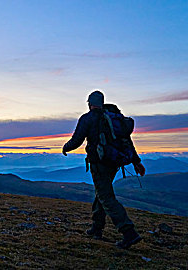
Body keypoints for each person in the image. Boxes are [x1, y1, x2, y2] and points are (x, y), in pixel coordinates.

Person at [62, 90, 146, 249]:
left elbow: (77, 139)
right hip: (114, 162)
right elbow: (127, 141)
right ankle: (97, 228)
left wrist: (66, 148)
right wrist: (136, 161)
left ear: (89, 103)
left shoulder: (88, 118)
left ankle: (128, 232)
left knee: (106, 196)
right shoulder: (113, 118)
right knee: (101, 192)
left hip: (99, 163)